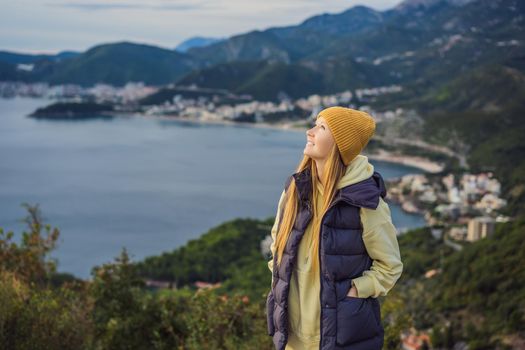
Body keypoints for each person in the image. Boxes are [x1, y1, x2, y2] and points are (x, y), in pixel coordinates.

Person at [266, 106, 403, 350]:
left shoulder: (366, 204)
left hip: (339, 338)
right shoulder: (295, 190)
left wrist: (354, 290)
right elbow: (278, 243)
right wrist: (279, 278)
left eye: (321, 127)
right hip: (292, 340)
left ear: (341, 143)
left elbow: (390, 266)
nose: (309, 132)